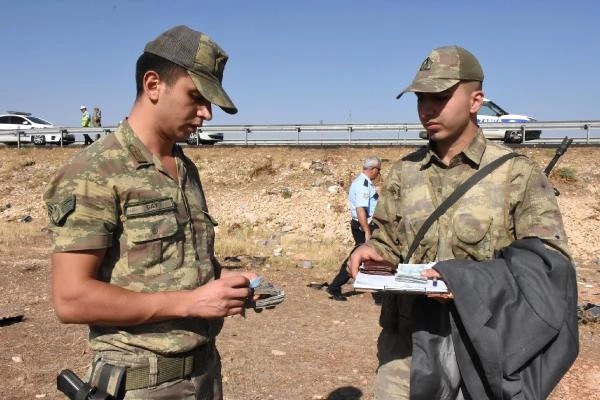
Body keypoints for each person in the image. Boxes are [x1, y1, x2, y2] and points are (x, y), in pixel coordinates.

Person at [347, 45, 578, 399]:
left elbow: (549, 263)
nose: (427, 109)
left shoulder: (516, 174)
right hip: (405, 350)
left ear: (476, 101)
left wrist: (467, 281)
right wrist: (371, 251)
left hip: (482, 346)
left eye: (440, 97)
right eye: (421, 99)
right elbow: (389, 240)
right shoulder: (404, 173)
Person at [44, 25, 256, 399]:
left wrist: (225, 280)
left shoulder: (184, 167)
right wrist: (190, 302)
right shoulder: (95, 172)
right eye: (196, 97)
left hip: (205, 372)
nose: (206, 113)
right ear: (153, 85)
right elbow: (70, 298)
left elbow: (174, 264)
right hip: (141, 384)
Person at [326, 156, 381, 301]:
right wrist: (367, 230)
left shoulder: (364, 183)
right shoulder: (362, 184)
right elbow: (361, 210)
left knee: (364, 256)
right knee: (359, 256)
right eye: (378, 170)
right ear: (373, 169)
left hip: (364, 225)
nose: (379, 174)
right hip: (364, 226)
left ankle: (377, 292)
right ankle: (335, 286)